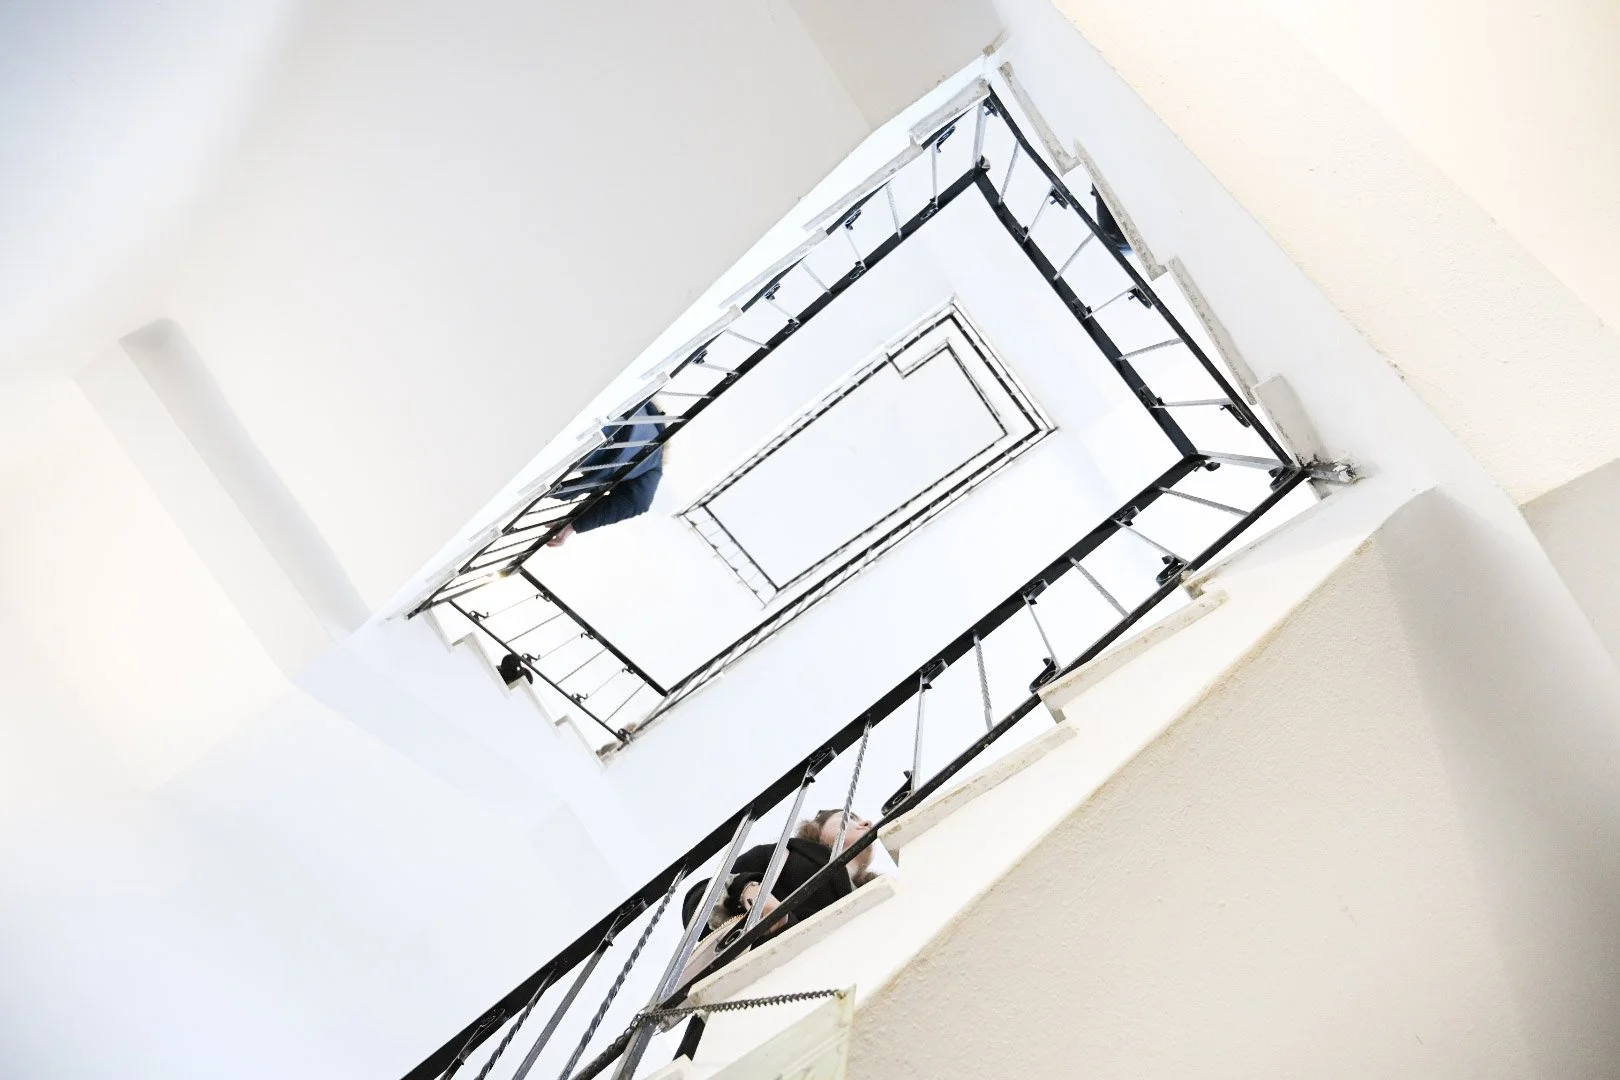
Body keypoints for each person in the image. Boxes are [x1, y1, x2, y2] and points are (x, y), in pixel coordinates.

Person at [680, 810, 880, 940]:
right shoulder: (781, 855)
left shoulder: (874, 895)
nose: (867, 822)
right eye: (849, 817)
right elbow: (698, 900)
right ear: (816, 828)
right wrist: (748, 889)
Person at [546, 401, 667, 546]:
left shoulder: (645, 401)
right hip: (592, 448)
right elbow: (638, 502)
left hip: (604, 409)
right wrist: (574, 524)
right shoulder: (654, 461)